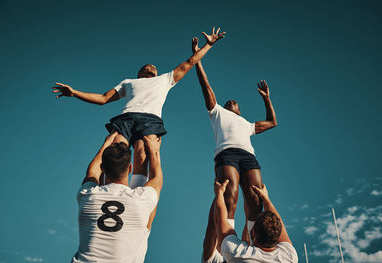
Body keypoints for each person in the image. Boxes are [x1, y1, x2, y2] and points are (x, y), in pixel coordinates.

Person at [52, 27, 225, 188]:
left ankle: (133, 196)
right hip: (127, 117)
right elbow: (103, 98)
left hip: (149, 119)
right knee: (114, 151)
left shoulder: (165, 79)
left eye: (155, 67)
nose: (152, 67)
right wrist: (75, 93)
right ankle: (109, 191)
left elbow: (190, 62)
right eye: (147, 66)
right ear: (139, 74)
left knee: (141, 155)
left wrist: (208, 45)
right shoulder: (129, 82)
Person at [192, 37, 277, 235]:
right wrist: (197, 58)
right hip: (227, 154)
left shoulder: (247, 124)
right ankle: (226, 243)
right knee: (230, 196)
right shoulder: (217, 111)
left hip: (248, 156)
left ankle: (252, 242)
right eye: (228, 101)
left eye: (235, 102)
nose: (231, 101)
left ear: (239, 110)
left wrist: (267, 99)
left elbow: (272, 122)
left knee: (256, 201)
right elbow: (206, 86)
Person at [71, 132, 163, 263]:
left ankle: (132, 139)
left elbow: (92, 172)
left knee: (146, 211)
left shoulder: (88, 195)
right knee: (147, 213)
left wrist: (106, 145)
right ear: (129, 168)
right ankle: (142, 140)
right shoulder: (87, 194)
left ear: (103, 168)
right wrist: (154, 149)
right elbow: (156, 178)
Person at [213, 181, 298, 262]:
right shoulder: (289, 257)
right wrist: (266, 199)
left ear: (253, 233)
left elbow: (221, 220)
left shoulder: (237, 253)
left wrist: (219, 193)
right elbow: (220, 220)